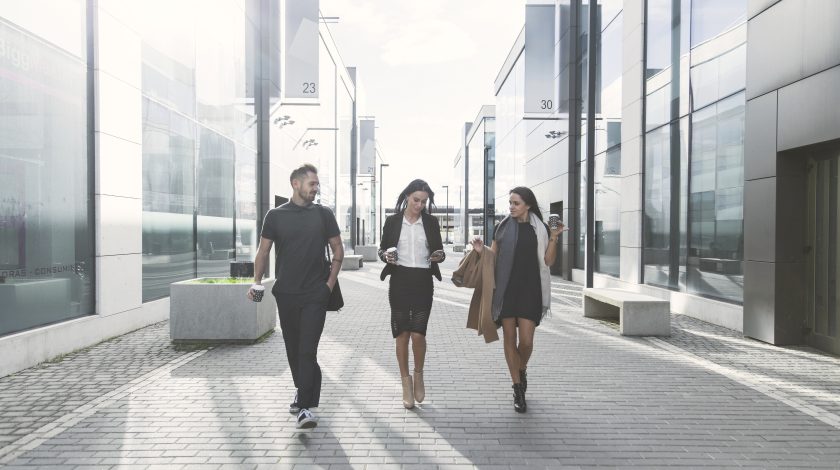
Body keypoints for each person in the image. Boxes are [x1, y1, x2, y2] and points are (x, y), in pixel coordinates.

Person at [248, 163, 343, 429]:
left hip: (316, 293)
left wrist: (328, 285)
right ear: (296, 184)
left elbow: (338, 250)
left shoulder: (324, 215)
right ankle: (305, 391)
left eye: (317, 184)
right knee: (293, 350)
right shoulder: (275, 216)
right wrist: (256, 283)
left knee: (306, 349)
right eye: (312, 184)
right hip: (286, 294)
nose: (316, 188)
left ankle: (304, 407)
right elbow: (263, 252)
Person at [470, 186, 563, 413]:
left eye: (516, 203)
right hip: (506, 289)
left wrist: (554, 237)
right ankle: (517, 388)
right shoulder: (502, 227)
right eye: (510, 203)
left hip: (531, 289)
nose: (511, 207)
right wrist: (482, 251)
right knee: (509, 338)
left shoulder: (539, 228)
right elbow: (493, 257)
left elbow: (548, 261)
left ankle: (520, 369)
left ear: (528, 205)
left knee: (527, 342)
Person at [378, 179, 446, 409]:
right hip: (399, 281)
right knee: (402, 335)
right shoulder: (392, 221)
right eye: (416, 200)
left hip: (423, 281)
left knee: (418, 334)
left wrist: (438, 255)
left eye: (424, 201)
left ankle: (418, 375)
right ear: (407, 196)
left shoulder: (431, 222)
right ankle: (405, 384)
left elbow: (440, 251)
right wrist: (385, 255)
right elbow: (383, 248)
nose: (419, 205)